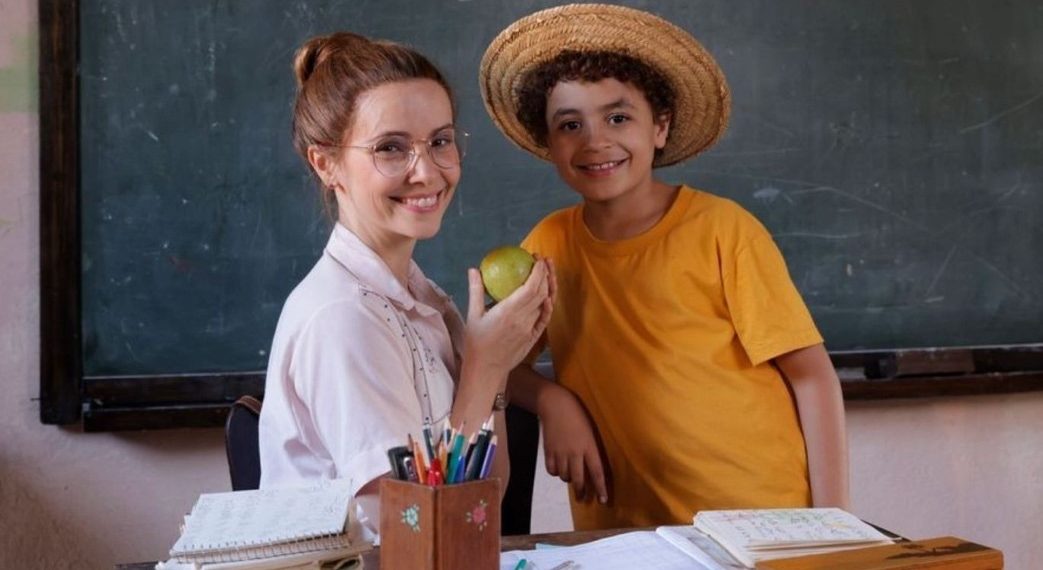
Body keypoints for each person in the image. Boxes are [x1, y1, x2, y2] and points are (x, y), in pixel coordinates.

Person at [479, 4, 850, 530]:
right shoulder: (547, 246)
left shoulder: (724, 229)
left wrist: (834, 527)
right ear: (550, 144)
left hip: (759, 523)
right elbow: (495, 359)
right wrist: (552, 401)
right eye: (569, 125)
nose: (594, 141)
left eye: (618, 117)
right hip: (626, 534)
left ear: (661, 127)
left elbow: (812, 379)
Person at [258, 32, 553, 536]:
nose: (427, 171)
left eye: (440, 141)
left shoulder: (422, 300)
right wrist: (482, 368)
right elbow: (417, 534)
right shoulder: (344, 319)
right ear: (326, 163)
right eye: (391, 148)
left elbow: (487, 502)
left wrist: (497, 371)